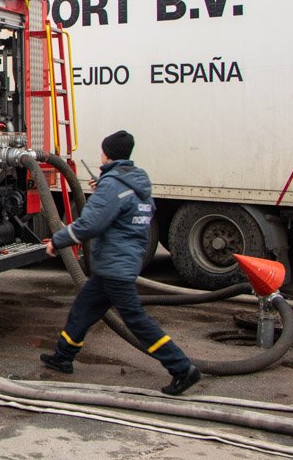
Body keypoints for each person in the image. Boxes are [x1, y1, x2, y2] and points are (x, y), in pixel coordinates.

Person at [40, 130, 201, 396]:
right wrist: (104, 191)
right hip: (118, 263)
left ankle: (182, 368)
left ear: (107, 153)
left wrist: (57, 242)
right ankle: (63, 356)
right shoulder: (135, 180)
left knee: (137, 321)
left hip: (115, 266)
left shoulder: (113, 185)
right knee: (83, 308)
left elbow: (90, 224)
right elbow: (126, 209)